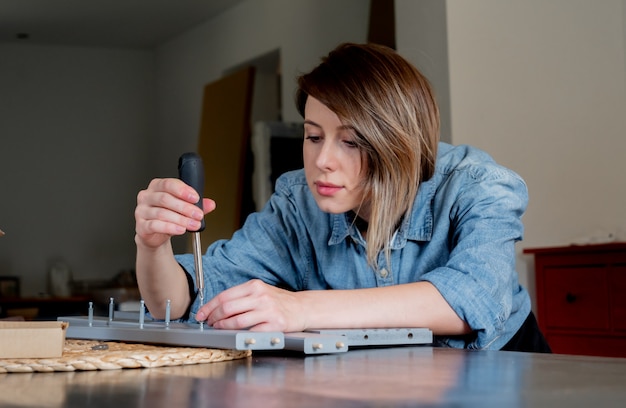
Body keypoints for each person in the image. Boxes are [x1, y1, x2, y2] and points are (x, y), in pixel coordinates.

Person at [135, 42, 550, 352]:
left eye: (350, 142)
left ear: (397, 142)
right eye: (313, 136)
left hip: (504, 373)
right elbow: (184, 300)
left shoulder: (480, 185)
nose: (322, 161)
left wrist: (301, 309)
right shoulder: (297, 202)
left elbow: (474, 298)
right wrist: (153, 246)